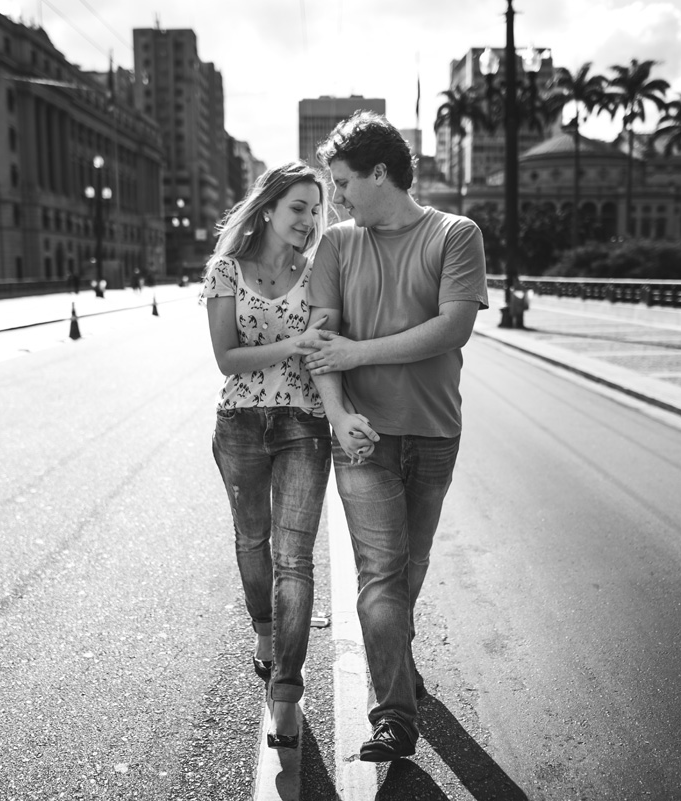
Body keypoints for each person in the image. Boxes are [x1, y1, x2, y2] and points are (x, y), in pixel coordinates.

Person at [304, 111, 488, 762]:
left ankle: (398, 668)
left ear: (380, 173)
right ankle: (395, 718)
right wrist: (337, 414)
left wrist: (359, 354)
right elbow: (322, 347)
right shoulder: (335, 245)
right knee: (380, 576)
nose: (336, 197)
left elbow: (451, 329)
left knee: (409, 570)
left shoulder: (456, 235)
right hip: (362, 436)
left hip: (436, 431)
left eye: (343, 182)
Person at [201, 161, 371, 751]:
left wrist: (341, 412)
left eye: (316, 210)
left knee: (294, 557)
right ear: (269, 208)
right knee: (252, 543)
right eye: (298, 207)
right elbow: (227, 358)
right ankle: (265, 632)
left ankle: (286, 693)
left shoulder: (319, 272)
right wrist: (291, 345)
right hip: (241, 423)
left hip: (303, 422)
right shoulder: (226, 271)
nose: (308, 220)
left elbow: (320, 355)